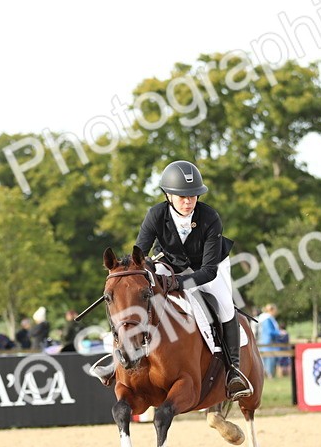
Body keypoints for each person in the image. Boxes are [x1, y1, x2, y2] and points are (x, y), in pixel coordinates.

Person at [94, 160, 251, 398]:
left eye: (193, 196)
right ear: (168, 195)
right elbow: (140, 257)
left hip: (210, 266)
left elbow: (208, 271)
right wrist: (123, 279)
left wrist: (178, 283)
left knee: (225, 307)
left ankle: (233, 371)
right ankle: (120, 357)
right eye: (182, 197)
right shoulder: (156, 215)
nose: (188, 202)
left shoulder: (209, 217)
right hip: (171, 263)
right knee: (140, 294)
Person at [255, 304, 285, 378]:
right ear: (271, 310)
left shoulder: (264, 318)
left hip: (264, 342)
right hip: (268, 343)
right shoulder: (267, 319)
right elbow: (269, 331)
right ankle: (269, 375)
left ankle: (269, 375)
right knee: (269, 359)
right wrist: (279, 332)